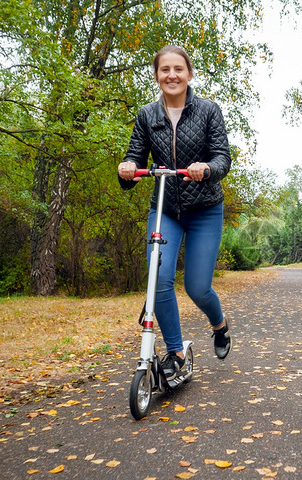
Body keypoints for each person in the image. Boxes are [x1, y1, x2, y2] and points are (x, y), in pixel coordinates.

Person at [117, 45, 231, 378]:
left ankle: (219, 324)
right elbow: (135, 157)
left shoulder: (209, 111)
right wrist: (127, 168)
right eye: (164, 70)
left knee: (197, 287)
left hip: (205, 210)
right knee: (159, 279)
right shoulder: (147, 115)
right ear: (156, 76)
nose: (172, 75)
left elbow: (222, 158)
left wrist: (206, 169)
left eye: (178, 69)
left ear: (189, 74)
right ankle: (175, 352)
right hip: (165, 209)